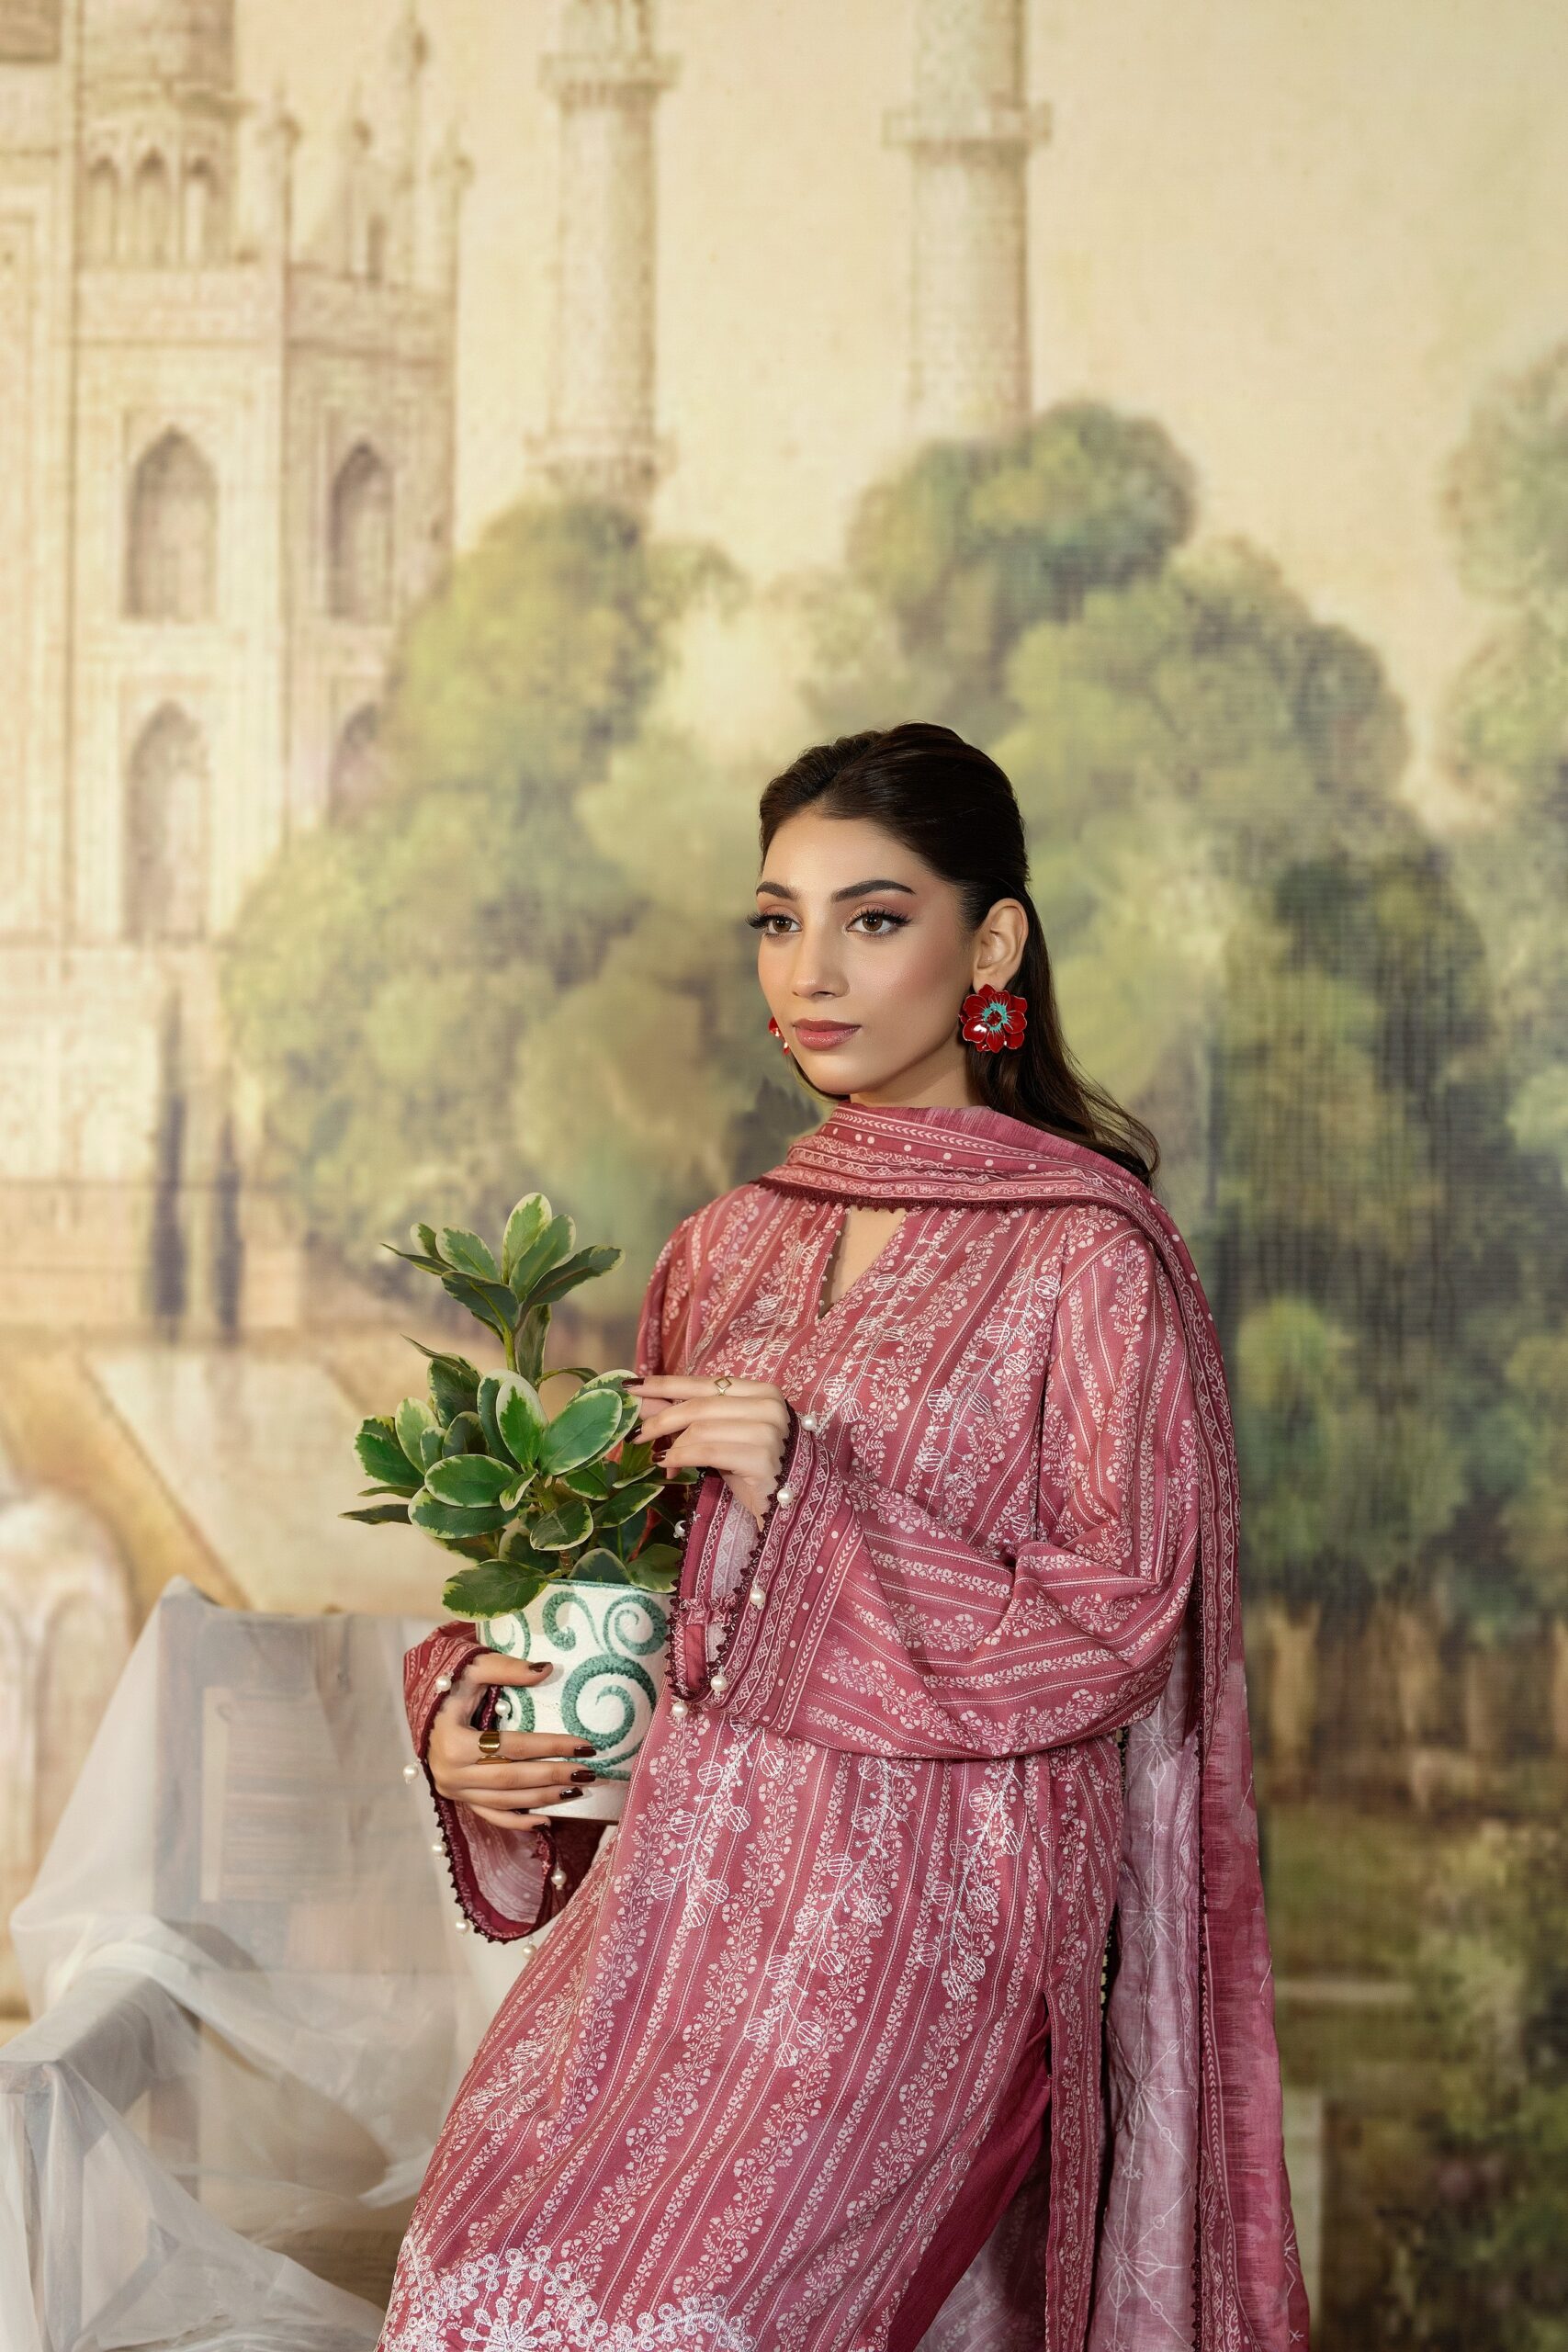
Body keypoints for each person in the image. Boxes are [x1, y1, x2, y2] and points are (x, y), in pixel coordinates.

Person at [378, 723, 1309, 2352]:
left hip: (924, 1938)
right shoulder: (722, 1250)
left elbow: (1117, 1626)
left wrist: (809, 1496)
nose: (810, 971)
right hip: (676, 1923)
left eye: (874, 919)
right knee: (471, 2289)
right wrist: (481, 1707)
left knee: (679, 2321)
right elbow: (658, 1600)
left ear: (991, 946)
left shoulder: (1088, 1257)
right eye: (778, 920)